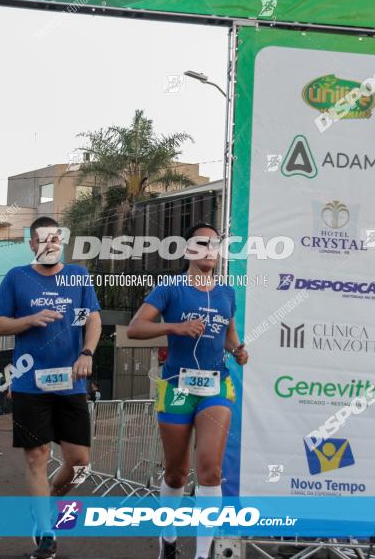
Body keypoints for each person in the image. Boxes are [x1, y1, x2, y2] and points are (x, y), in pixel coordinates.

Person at [127, 223, 249, 559]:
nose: (210, 249)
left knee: (211, 470)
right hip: (177, 386)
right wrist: (175, 326)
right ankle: (168, 539)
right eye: (202, 243)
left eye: (215, 244)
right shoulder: (170, 288)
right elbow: (136, 328)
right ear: (188, 251)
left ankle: (202, 553)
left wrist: (238, 349)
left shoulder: (226, 292)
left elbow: (229, 333)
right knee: (176, 472)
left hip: (216, 385)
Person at [0, 216, 101, 559]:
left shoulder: (78, 276)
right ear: (32, 244)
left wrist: (87, 352)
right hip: (29, 383)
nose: (50, 243)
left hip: (70, 383)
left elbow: (93, 319)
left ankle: (45, 503)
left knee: (80, 463)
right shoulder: (17, 278)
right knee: (36, 458)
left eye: (56, 238)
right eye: (43, 239)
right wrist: (29, 320)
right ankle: (46, 533)